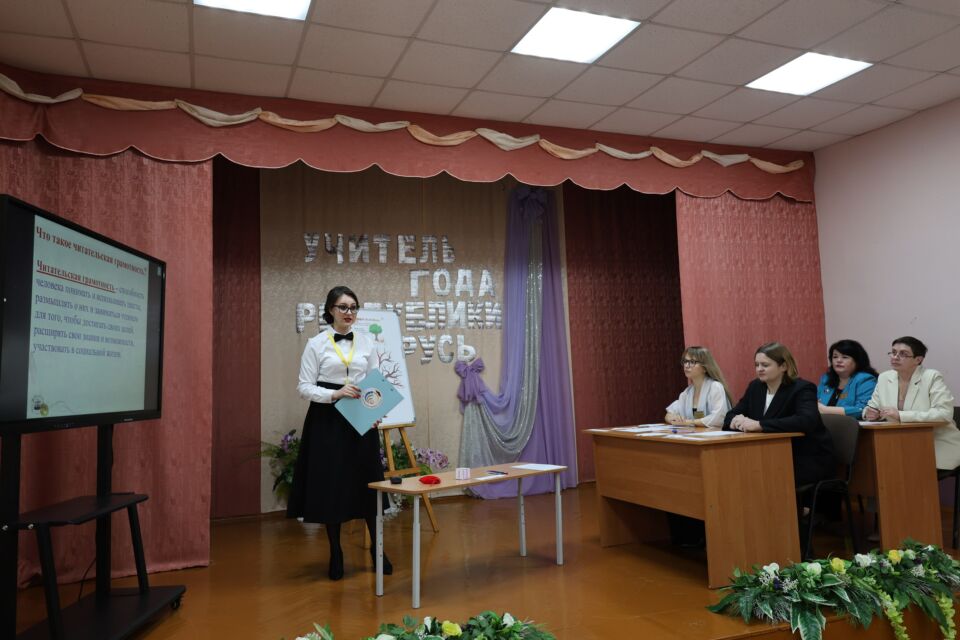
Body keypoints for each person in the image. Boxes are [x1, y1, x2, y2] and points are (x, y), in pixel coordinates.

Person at [287, 286, 392, 581]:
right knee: (331, 484)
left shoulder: (367, 342)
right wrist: (333, 394)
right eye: (343, 307)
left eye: (353, 307)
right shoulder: (316, 344)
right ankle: (336, 551)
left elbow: (374, 382)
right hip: (327, 419)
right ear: (330, 310)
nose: (349, 313)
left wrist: (375, 412)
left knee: (368, 482)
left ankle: (378, 550)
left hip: (359, 415)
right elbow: (304, 386)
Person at [724, 342, 835, 487]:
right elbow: (731, 415)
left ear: (783, 366)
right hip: (767, 454)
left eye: (765, 365)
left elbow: (807, 420)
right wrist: (736, 420)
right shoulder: (755, 387)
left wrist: (760, 425)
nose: (759, 369)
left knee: (756, 476)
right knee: (736, 472)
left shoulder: (802, 388)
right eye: (756, 365)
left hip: (804, 456)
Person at [864, 336, 960, 470]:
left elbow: (944, 414)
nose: (895, 357)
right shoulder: (884, 377)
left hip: (935, 442)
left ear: (918, 359)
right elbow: (872, 406)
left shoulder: (931, 377)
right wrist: (870, 413)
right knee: (873, 464)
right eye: (893, 352)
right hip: (898, 441)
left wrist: (901, 415)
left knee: (903, 467)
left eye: (903, 354)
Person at [665, 346, 732, 428]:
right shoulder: (687, 393)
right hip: (695, 434)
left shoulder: (715, 387)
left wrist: (688, 422)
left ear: (705, 368)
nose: (686, 366)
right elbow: (670, 413)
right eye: (685, 361)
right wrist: (672, 418)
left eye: (692, 362)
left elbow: (719, 418)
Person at [816, 339, 879, 418]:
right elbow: (816, 403)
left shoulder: (865, 380)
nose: (838, 360)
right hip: (824, 423)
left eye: (845, 357)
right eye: (835, 357)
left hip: (852, 424)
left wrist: (825, 410)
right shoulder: (826, 379)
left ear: (857, 360)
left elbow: (864, 410)